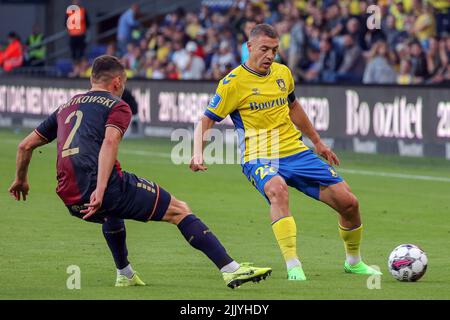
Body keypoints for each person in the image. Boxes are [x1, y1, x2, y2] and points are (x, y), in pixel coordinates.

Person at [8, 55, 271, 289]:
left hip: (69, 196)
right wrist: (99, 189)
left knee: (112, 213)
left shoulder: (66, 106)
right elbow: (110, 143)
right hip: (102, 189)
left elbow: (25, 145)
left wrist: (21, 179)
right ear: (118, 82)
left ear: (92, 79)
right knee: (179, 210)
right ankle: (231, 270)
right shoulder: (117, 105)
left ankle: (125, 273)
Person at [190, 24, 382, 281]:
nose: (270, 55)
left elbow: (294, 107)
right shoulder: (232, 83)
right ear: (249, 48)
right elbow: (205, 121)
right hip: (258, 156)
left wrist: (318, 142)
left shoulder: (283, 73)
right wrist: (197, 153)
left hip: (296, 152)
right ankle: (294, 265)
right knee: (277, 189)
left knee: (349, 203)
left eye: (275, 50)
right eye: (264, 49)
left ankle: (354, 262)